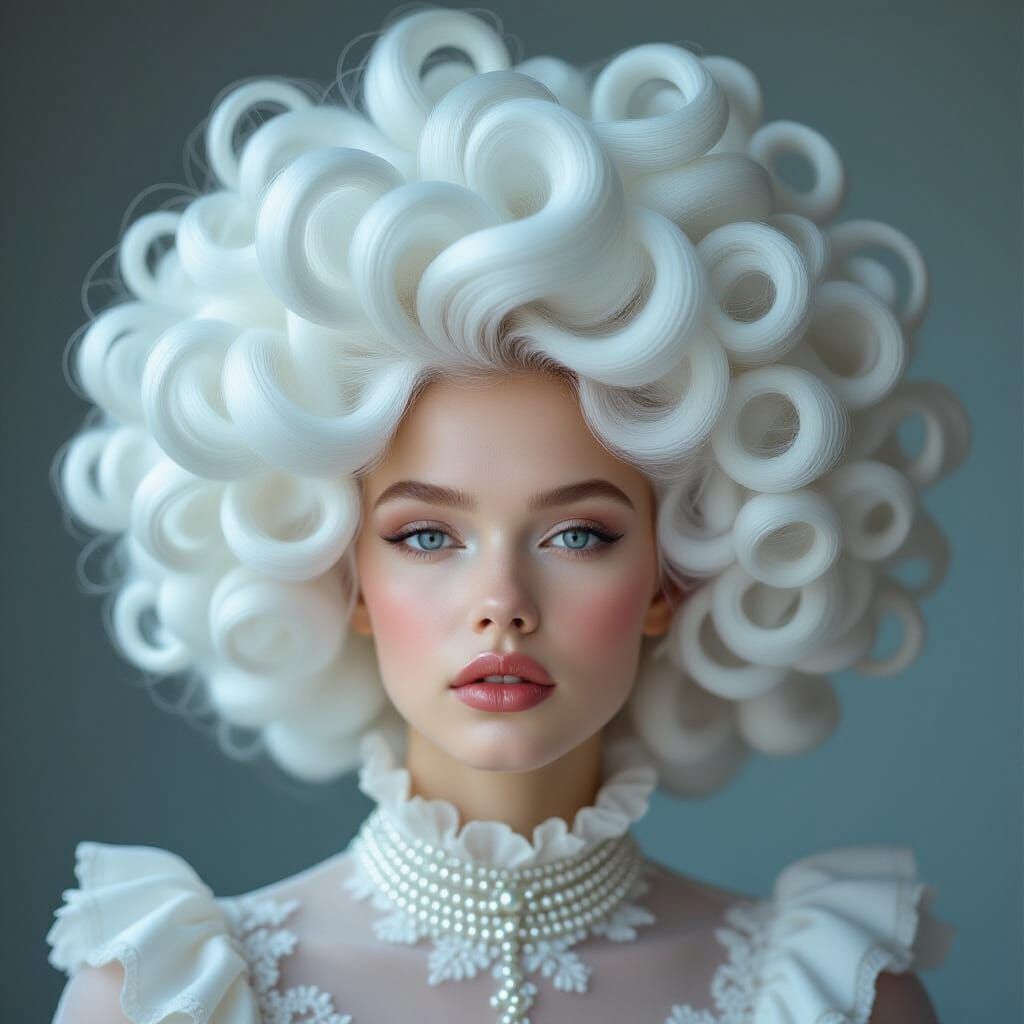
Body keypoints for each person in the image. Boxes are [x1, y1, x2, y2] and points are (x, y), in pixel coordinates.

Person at [44, 6, 969, 1022]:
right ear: (347, 575)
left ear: (674, 574)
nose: (502, 602)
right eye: (425, 536)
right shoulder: (164, 994)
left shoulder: (838, 997)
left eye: (579, 534)